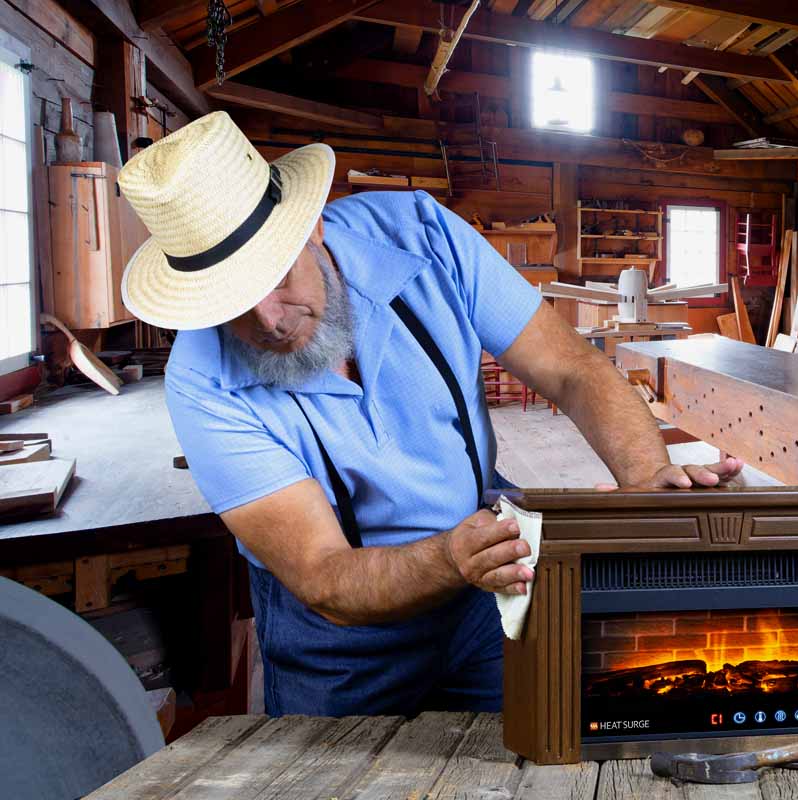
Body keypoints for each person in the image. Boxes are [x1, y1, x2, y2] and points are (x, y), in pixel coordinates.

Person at [118, 111, 743, 716]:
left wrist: (644, 480)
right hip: (341, 643)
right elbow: (325, 576)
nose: (269, 322)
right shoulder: (204, 383)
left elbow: (572, 370)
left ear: (310, 230)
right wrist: (450, 558)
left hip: (490, 586)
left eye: (276, 280)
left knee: (519, 758)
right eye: (231, 303)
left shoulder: (421, 235)